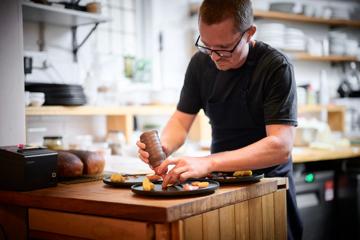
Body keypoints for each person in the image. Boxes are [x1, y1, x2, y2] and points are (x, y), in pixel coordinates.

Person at [137, 0, 303, 239]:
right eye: (206, 45)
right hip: (219, 187)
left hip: (268, 189)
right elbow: (181, 121)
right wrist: (163, 147)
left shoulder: (275, 67)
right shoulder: (200, 63)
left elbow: (280, 147)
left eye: (224, 48)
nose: (214, 56)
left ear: (249, 34)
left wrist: (208, 162)